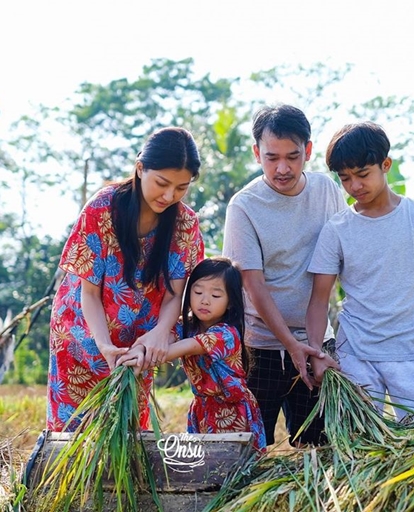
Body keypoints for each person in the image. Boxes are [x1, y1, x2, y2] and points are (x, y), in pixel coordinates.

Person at [47, 127, 204, 431]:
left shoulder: (185, 223)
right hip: (83, 333)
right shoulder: (103, 208)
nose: (169, 196)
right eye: (162, 183)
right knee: (71, 435)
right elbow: (89, 294)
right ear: (140, 168)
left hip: (138, 342)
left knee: (125, 432)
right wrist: (104, 346)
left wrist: (160, 332)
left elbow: (175, 295)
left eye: (182, 188)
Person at [305, 122, 414, 420]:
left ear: (385, 165)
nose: (355, 186)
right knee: (359, 448)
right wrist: (317, 354)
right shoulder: (336, 229)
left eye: (363, 175)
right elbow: (319, 299)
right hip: (355, 356)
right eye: (345, 178)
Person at [222, 105, 342, 446]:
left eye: (292, 156)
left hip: (317, 341)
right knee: (250, 447)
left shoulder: (328, 190)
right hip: (260, 346)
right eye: (271, 157)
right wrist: (290, 344)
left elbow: (338, 261)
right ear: (256, 152)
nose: (282, 168)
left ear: (308, 150)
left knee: (318, 445)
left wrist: (314, 347)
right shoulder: (243, 206)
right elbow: (252, 283)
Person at [120, 257, 266, 451]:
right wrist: (139, 350)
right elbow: (163, 339)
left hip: (232, 410)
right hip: (202, 409)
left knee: (232, 467)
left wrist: (144, 360)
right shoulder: (185, 325)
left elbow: (187, 346)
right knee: (202, 469)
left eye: (216, 296)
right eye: (198, 292)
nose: (204, 300)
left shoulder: (226, 333)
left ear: (231, 302)